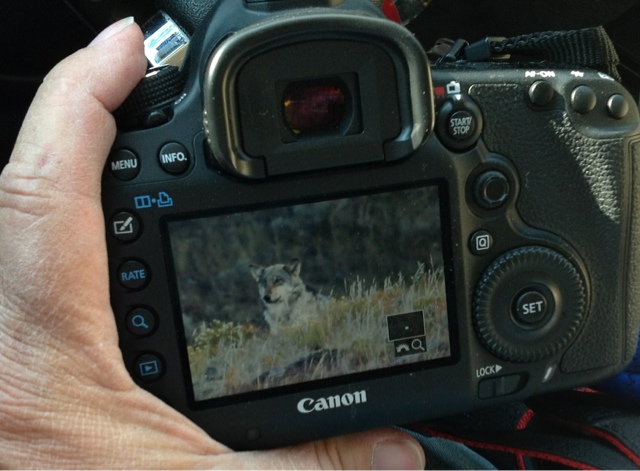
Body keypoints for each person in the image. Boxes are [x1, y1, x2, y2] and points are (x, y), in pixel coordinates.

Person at [0, 18, 426, 469]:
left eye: (276, 283)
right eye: (266, 284)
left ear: (292, 278)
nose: (269, 290)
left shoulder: (317, 307)